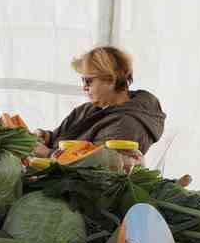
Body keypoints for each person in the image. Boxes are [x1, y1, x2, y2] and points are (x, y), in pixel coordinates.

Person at [32, 45, 166, 159]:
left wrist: (47, 154)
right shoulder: (86, 110)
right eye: (83, 80)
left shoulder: (128, 124)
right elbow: (59, 138)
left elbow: (96, 171)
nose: (84, 87)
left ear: (111, 80)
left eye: (88, 81)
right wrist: (45, 136)